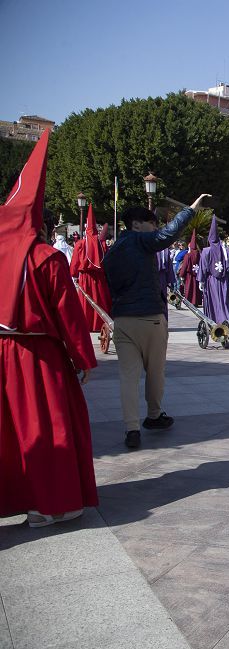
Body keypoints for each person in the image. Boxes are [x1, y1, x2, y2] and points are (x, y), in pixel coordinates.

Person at [0, 131, 98, 527]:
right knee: (45, 426)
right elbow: (68, 316)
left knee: (9, 431)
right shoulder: (45, 258)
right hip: (38, 358)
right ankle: (48, 503)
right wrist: (83, 357)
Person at [104, 195, 210, 448]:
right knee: (155, 372)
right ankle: (154, 415)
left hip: (122, 319)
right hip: (149, 317)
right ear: (137, 225)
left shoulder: (111, 253)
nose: (155, 229)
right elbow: (168, 235)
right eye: (151, 224)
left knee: (127, 376)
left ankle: (131, 429)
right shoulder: (140, 241)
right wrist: (191, 208)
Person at [69, 204, 113, 337]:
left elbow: (75, 262)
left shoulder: (81, 243)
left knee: (86, 301)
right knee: (99, 299)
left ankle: (86, 323)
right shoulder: (102, 243)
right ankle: (100, 322)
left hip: (85, 277)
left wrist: (74, 273)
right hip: (99, 278)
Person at [198, 215, 229, 326]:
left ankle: (214, 321)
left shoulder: (206, 251)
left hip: (211, 281)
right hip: (224, 281)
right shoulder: (226, 250)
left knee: (213, 301)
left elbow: (203, 267)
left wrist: (201, 281)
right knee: (224, 301)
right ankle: (225, 321)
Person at [177, 229, 202, 307]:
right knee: (196, 288)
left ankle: (190, 302)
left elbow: (185, 266)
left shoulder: (188, 255)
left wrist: (181, 274)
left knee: (190, 288)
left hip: (189, 275)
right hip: (198, 275)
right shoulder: (200, 255)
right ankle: (197, 301)